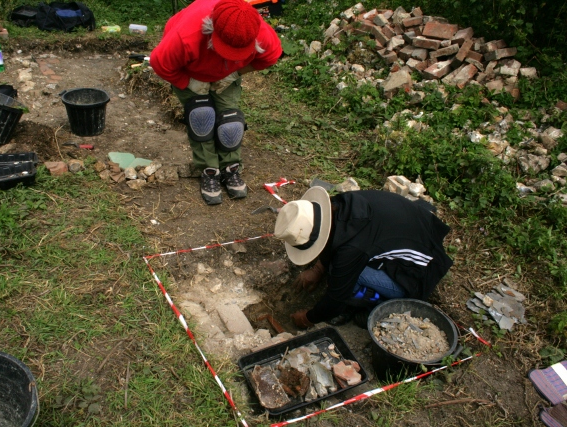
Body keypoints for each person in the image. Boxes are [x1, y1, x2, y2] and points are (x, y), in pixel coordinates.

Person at [150, 0, 282, 205]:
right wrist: (190, 83)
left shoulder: (259, 32)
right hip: (190, 71)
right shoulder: (186, 35)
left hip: (228, 74)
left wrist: (234, 74)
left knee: (230, 123)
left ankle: (231, 168)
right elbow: (160, 63)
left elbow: (270, 57)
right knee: (201, 116)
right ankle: (209, 170)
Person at [273, 186, 454, 329]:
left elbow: (336, 299)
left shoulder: (352, 248)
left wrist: (308, 318)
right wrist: (318, 269)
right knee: (339, 267)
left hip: (417, 272)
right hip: (417, 236)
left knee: (345, 278)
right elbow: (331, 236)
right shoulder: (340, 203)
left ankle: (374, 305)